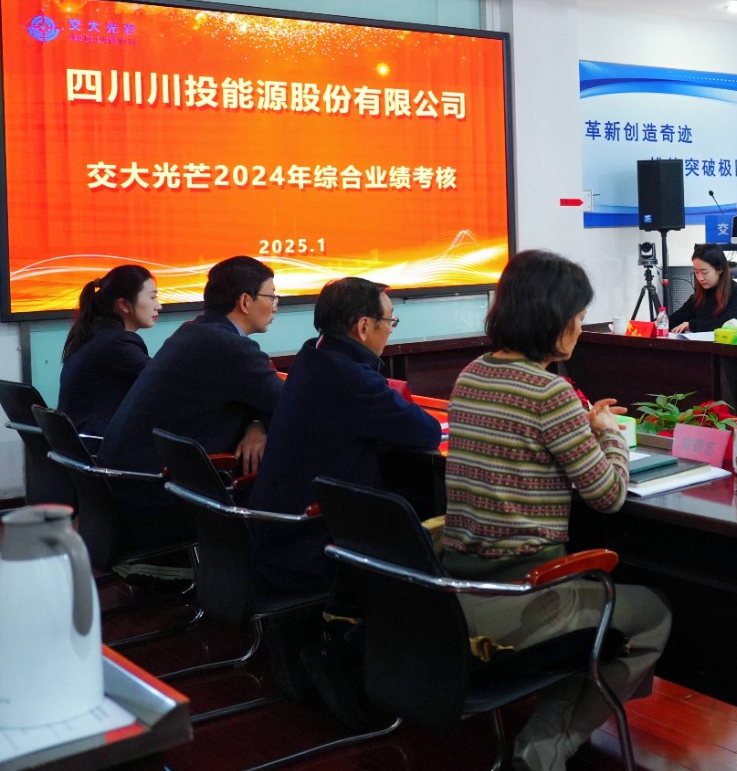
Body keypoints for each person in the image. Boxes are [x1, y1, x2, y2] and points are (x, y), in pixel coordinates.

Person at [443, 250, 671, 771]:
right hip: (526, 594)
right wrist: (609, 436)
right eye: (579, 316)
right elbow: (608, 495)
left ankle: (549, 724)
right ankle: (546, 746)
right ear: (554, 319)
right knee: (654, 613)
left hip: (460, 588)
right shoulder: (550, 391)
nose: (581, 328)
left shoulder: (471, 374)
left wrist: (580, 430)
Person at [251, 278, 442, 593]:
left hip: (277, 533)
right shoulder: (351, 378)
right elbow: (428, 432)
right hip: (311, 544)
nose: (391, 330)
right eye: (390, 321)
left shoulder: (312, 355)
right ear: (364, 326)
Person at [96, 255, 284, 547]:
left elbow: (259, 397)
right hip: (157, 499)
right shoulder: (230, 347)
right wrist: (261, 420)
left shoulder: (194, 332)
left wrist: (257, 424)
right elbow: (291, 407)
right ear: (245, 302)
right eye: (271, 297)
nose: (275, 305)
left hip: (125, 490)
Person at [57, 264, 161, 436]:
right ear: (124, 305)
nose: (158, 306)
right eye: (152, 297)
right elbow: (163, 382)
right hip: (98, 444)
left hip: (79, 442)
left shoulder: (95, 334)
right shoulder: (118, 344)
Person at [667, 244, 737, 333]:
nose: (700, 278)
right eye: (696, 272)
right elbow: (676, 319)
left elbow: (726, 325)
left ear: (720, 269)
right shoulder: (699, 296)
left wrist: (691, 326)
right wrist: (660, 323)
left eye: (704, 272)